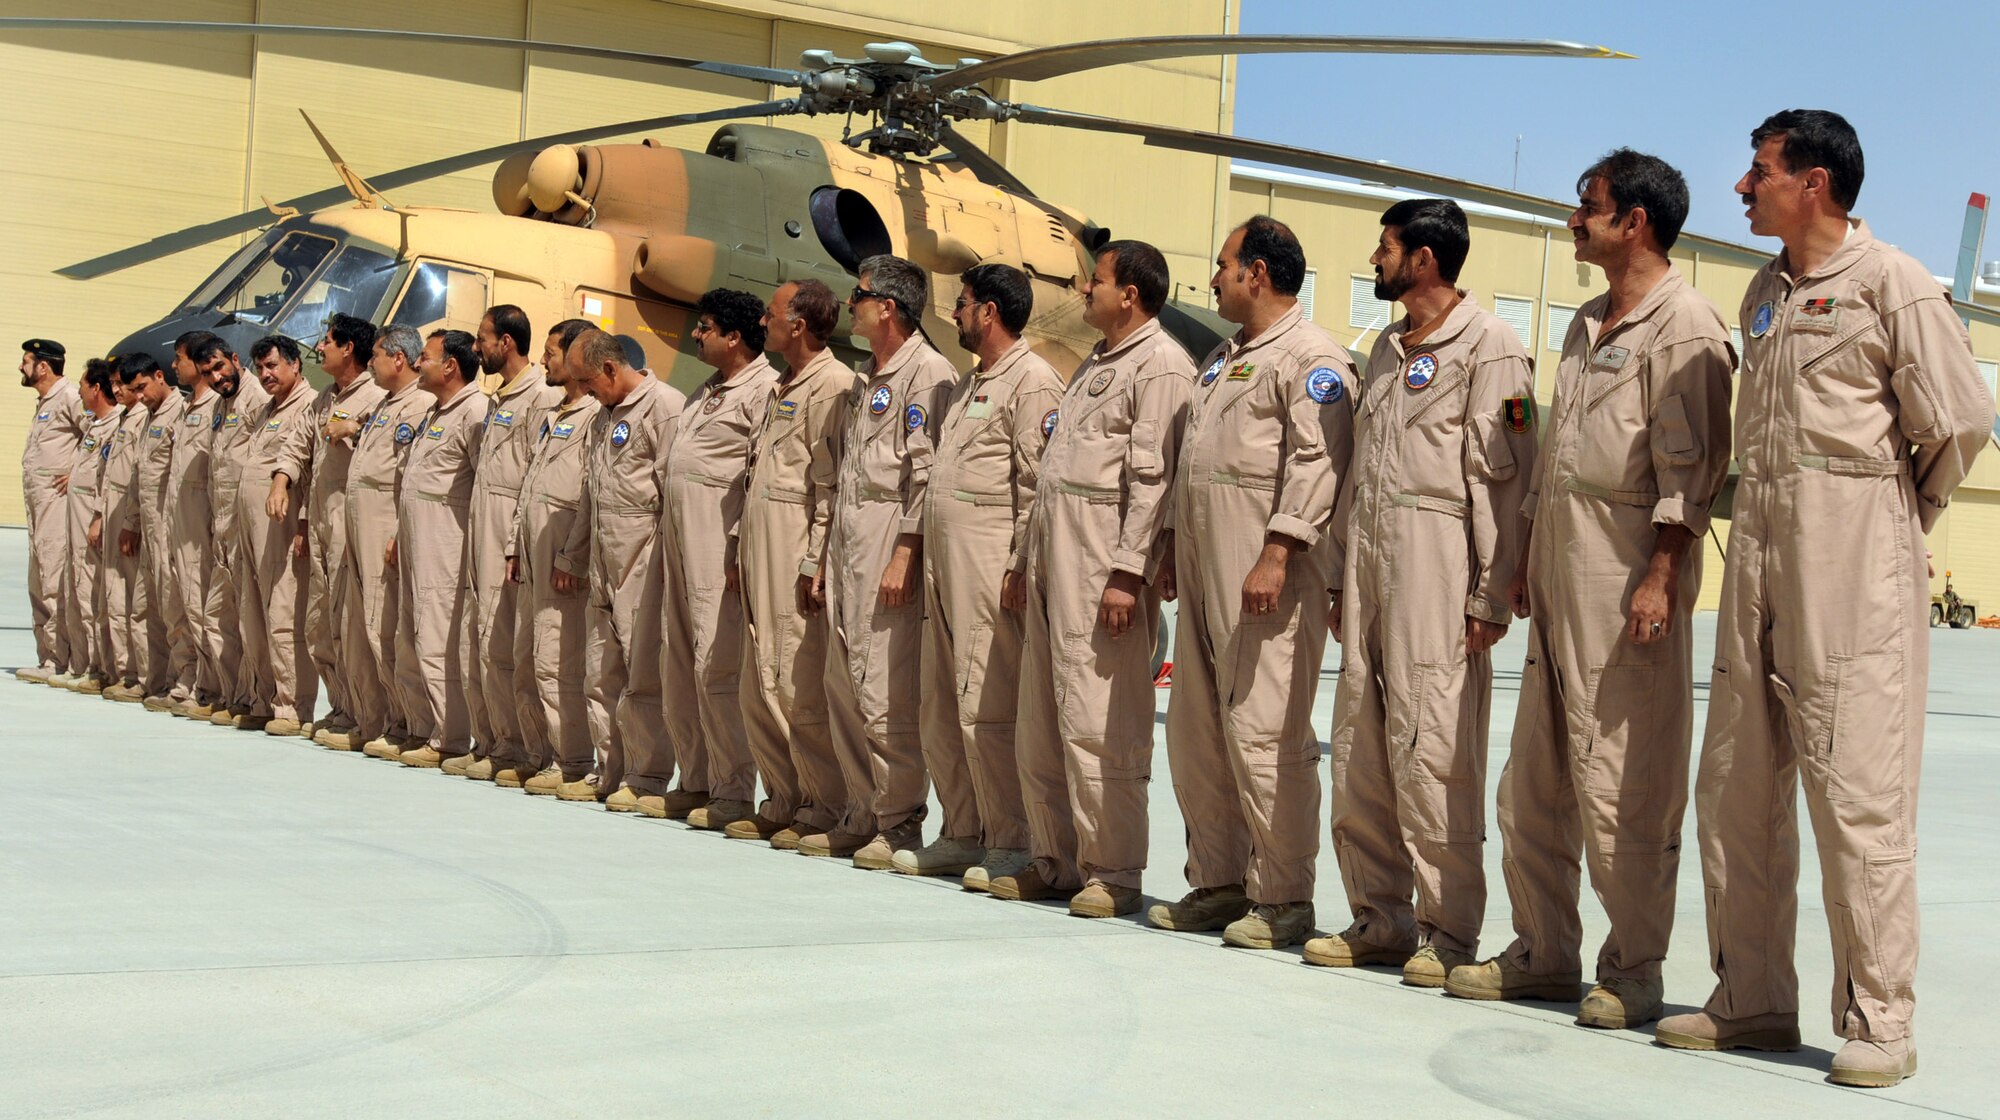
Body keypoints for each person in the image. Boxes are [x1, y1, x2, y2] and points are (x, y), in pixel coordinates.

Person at [1656, 109, 1993, 1090]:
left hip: (1851, 554)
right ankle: (1750, 996)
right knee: (1735, 788)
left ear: (1811, 183)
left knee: (1856, 800)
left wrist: (1892, 517)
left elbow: (1959, 419)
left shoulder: (1890, 282)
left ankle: (1879, 1019)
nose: (1739, 188)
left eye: (1756, 171)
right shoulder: (1764, 290)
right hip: (1758, 547)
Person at [1441, 151, 1734, 1029]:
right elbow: (1559, 451)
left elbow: (1694, 473)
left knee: (1623, 784)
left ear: (1634, 221)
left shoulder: (1686, 328)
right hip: (1563, 573)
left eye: (1589, 207)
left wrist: (1661, 574)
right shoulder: (1587, 323)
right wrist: (1525, 554)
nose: (1575, 220)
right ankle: (1541, 950)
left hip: (1625, 577)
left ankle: (1634, 968)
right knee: (1534, 782)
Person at [1307, 198, 1537, 983]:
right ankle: (1379, 917)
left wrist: (1490, 593)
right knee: (1361, 749)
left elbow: (1508, 478)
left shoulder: (1494, 350)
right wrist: (1338, 576)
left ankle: (1447, 931)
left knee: (1433, 747)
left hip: (1440, 563)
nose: (1376, 261)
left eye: (1385, 248)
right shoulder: (1384, 350)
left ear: (1426, 260)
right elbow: (1357, 477)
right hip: (1370, 567)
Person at [1148, 217, 1357, 949]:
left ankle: (1284, 898)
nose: (1212, 280)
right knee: (1198, 731)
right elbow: (1197, 461)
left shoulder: (1311, 358)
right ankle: (1219, 880)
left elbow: (1318, 463)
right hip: (1208, 564)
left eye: (1224, 266)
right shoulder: (1225, 358)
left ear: (1258, 274)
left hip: (1265, 566)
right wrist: (1172, 541)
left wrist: (1279, 551)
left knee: (1265, 731)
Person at [994, 239, 1195, 911]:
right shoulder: (1094, 365)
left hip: (1100, 560)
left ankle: (1113, 871)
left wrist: (1127, 573)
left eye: (1097, 282)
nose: (1086, 291)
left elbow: (1152, 480)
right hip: (1055, 554)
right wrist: (1023, 559)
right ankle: (1054, 860)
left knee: (1100, 720)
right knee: (1042, 719)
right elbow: (1052, 474)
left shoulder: (1161, 365)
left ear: (1129, 295)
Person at [897, 263, 1060, 881]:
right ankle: (963, 829)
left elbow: (1037, 486)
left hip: (990, 566)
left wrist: (1020, 563)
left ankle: (1012, 838)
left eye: (963, 304)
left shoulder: (1032, 382)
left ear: (988, 311)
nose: (956, 314)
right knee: (941, 703)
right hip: (948, 565)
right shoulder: (971, 386)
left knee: (987, 706)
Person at [807, 254, 957, 866]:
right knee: (841, 676)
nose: (851, 303)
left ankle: (898, 818)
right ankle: (861, 808)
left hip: (888, 530)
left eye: (859, 294)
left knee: (884, 681)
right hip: (848, 531)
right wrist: (820, 558)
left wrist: (905, 552)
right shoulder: (866, 376)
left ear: (888, 307)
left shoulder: (929, 374)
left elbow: (925, 477)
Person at [728, 280, 857, 846]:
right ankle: (783, 796)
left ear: (799, 324)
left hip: (794, 540)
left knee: (793, 679)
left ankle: (822, 803)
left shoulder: (831, 385)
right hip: (760, 540)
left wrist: (815, 560)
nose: (763, 323)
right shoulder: (784, 383)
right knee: (756, 678)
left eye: (772, 314)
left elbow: (828, 488)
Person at [661, 289, 781, 831]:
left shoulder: (764, 392)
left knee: (719, 667)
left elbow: (757, 476)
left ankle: (734, 789)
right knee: (681, 664)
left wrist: (736, 546)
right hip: (681, 543)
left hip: (718, 548)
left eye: (705, 327)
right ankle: (698, 777)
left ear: (734, 337)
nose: (696, 334)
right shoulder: (707, 390)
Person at [558, 329, 685, 811]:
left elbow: (672, 496)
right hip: (603, 556)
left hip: (644, 554)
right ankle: (609, 770)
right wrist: (573, 554)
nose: (585, 392)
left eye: (588, 382)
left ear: (611, 368)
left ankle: (647, 775)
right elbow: (590, 493)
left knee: (642, 669)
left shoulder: (665, 408)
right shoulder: (600, 416)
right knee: (600, 669)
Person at [455, 305, 561, 781]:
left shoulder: (538, 398)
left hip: (509, 528)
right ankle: (496, 740)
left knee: (510, 646)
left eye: (483, 339)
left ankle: (527, 748)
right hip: (485, 520)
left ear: (507, 343)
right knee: (482, 638)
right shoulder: (500, 399)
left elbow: (534, 473)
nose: (476, 348)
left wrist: (515, 539)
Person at [272, 315, 384, 745]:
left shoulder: (375, 397)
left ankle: (366, 717)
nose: (320, 348)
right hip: (320, 520)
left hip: (351, 521)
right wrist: (282, 480)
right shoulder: (324, 399)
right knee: (322, 620)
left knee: (352, 620)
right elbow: (298, 443)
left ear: (349, 349)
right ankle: (341, 707)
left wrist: (355, 427)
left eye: (328, 342)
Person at [506, 319, 600, 795]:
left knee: (559, 656)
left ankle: (574, 759)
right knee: (526, 655)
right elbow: (531, 482)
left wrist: (572, 555)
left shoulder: (593, 416)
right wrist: (512, 545)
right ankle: (540, 752)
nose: (545, 360)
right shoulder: (555, 412)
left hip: (562, 554)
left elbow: (588, 496)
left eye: (553, 353)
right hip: (532, 550)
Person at [391, 329, 489, 768]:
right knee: (411, 632)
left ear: (450, 365)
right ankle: (423, 726)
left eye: (425, 358)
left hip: (444, 540)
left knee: (437, 636)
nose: (417, 365)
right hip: (417, 533)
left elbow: (483, 484)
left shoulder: (475, 411)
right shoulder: (436, 411)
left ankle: (449, 736)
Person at [347, 326, 437, 757]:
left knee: (388, 626)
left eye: (378, 355)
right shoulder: (387, 404)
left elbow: (409, 478)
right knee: (366, 624)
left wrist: (399, 532)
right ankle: (388, 718)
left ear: (399, 358)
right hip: (361, 519)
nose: (371, 362)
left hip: (385, 521)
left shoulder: (419, 404)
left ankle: (414, 724)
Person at [113, 352, 189, 708]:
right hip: (147, 526)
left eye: (142, 387)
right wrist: (130, 523)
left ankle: (182, 682)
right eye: (133, 391)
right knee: (144, 608)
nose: (139, 396)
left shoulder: (181, 412)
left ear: (160, 376)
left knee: (174, 608)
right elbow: (138, 477)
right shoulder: (148, 417)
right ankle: (151, 681)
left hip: (170, 526)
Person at [205, 345, 271, 727]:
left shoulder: (255, 398)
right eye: (208, 373)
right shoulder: (222, 403)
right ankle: (239, 694)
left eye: (219, 367)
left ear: (232, 358)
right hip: (223, 525)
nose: (217, 377)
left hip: (248, 523)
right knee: (222, 614)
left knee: (250, 616)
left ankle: (257, 699)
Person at [164, 332, 230, 717]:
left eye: (179, 358)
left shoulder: (213, 408)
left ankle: (212, 687)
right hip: (181, 525)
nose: (175, 365)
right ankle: (194, 682)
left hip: (204, 528)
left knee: (207, 609)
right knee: (185, 606)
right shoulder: (191, 407)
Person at [52, 358, 121, 693]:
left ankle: (98, 666)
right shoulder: (95, 426)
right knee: (76, 588)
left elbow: (109, 480)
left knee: (92, 592)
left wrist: (98, 517)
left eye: (82, 385)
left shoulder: (115, 426)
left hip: (92, 521)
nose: (78, 391)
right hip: (76, 520)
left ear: (96, 388)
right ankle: (82, 664)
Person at [17, 337, 84, 683]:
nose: (21, 367)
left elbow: (96, 436)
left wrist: (75, 472)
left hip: (56, 506)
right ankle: (47, 657)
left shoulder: (70, 397)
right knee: (38, 578)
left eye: (26, 361)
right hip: (38, 505)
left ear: (43, 366)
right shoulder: (46, 401)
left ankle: (61, 659)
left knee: (55, 578)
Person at [98, 357, 153, 703]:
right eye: (115, 384)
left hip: (132, 517)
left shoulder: (141, 419)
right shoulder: (126, 418)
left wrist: (131, 523)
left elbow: (136, 477)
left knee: (135, 598)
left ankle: (141, 673)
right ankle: (126, 670)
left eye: (124, 384)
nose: (118, 390)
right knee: (117, 595)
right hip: (117, 512)